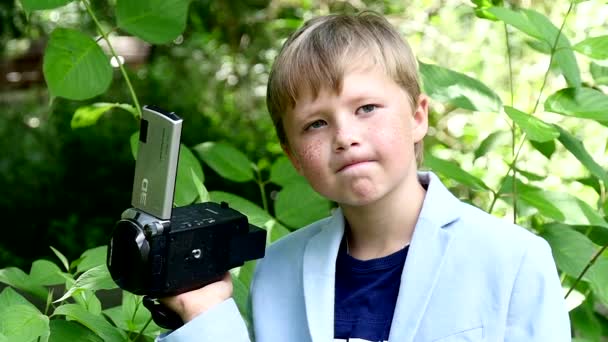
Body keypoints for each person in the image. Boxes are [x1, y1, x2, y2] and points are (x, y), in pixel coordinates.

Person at [158, 11, 571, 341]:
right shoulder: (277, 271)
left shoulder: (512, 259)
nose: (345, 137)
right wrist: (205, 313)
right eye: (315, 124)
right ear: (294, 156)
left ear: (417, 116)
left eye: (367, 108)